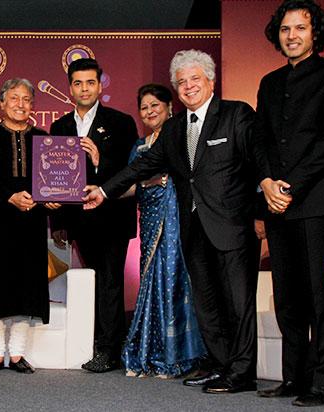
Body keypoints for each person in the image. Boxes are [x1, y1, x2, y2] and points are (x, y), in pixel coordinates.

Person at [83, 49, 260, 393]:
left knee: (237, 303)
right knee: (206, 303)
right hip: (192, 230)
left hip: (231, 227)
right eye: (181, 82)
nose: (188, 86)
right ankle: (219, 364)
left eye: (195, 79)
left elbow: (257, 163)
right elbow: (141, 167)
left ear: (211, 81)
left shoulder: (236, 115)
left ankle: (242, 372)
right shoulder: (175, 127)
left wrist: (260, 212)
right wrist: (104, 191)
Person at [254, 0, 324, 406]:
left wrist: (288, 186)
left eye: (300, 28)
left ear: (316, 33)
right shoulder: (269, 81)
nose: (292, 35)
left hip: (315, 200)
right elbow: (260, 139)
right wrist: (265, 182)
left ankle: (322, 383)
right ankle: (293, 378)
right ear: (277, 35)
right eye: (285, 29)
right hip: (275, 201)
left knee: (317, 294)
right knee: (287, 295)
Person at [50, 58, 138, 373]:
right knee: (94, 281)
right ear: (69, 88)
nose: (84, 88)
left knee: (111, 282)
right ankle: (98, 342)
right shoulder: (59, 127)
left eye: (90, 82)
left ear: (100, 86)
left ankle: (110, 350)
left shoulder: (121, 122)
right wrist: (57, 222)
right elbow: (54, 179)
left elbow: (132, 172)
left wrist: (100, 162)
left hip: (113, 217)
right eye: (78, 83)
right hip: (79, 220)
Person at [0, 78, 59, 374]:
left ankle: (17, 354)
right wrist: (9, 196)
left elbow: (52, 180)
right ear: (2, 103)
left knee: (26, 286)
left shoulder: (44, 138)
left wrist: (52, 199)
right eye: (14, 98)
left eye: (26, 100)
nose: (20, 104)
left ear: (33, 106)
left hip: (31, 222)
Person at [122, 84, 205, 378]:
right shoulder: (139, 147)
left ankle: (177, 356)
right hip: (149, 219)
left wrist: (165, 180)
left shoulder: (182, 138)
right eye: (144, 107)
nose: (150, 111)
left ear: (170, 107)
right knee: (151, 279)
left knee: (173, 279)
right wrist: (99, 181)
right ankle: (149, 350)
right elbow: (130, 185)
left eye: (155, 105)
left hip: (175, 217)